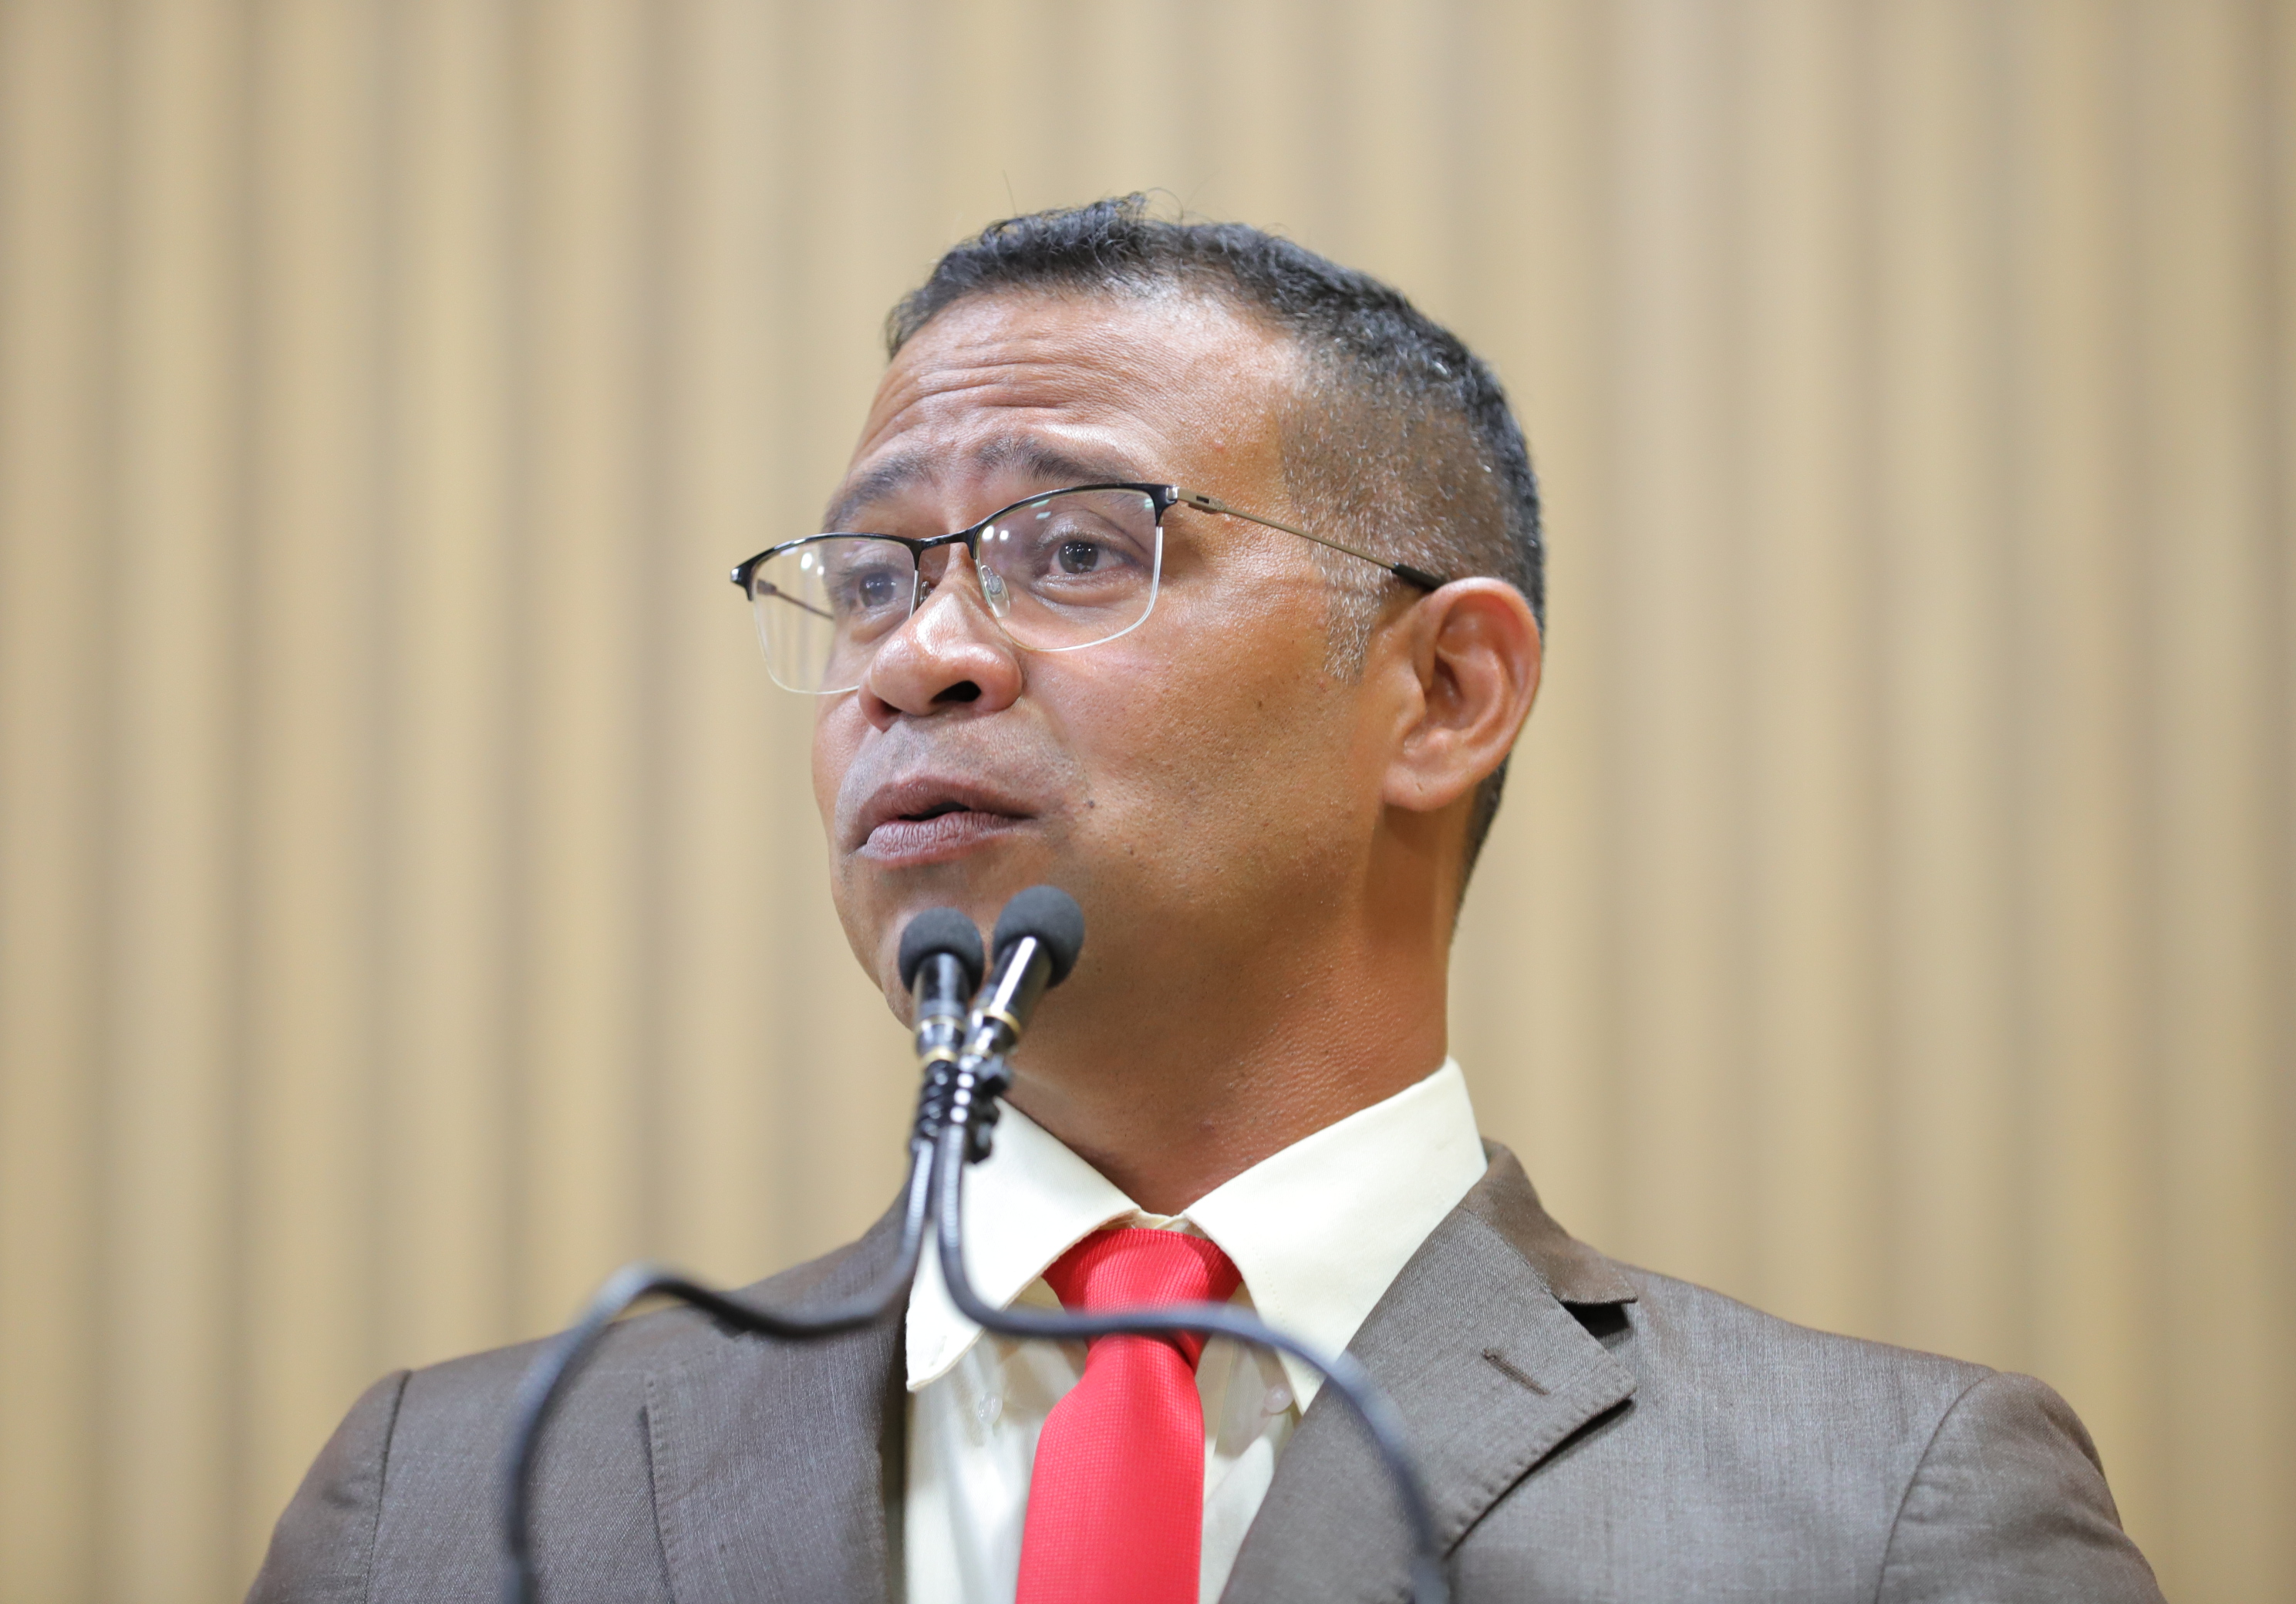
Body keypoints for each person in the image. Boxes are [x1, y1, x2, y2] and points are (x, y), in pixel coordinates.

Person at [251, 197, 2163, 1604]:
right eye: (870, 578)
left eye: (1077, 549)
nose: (918, 655)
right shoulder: (448, 1496)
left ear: (1445, 691)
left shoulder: (1877, 1510)